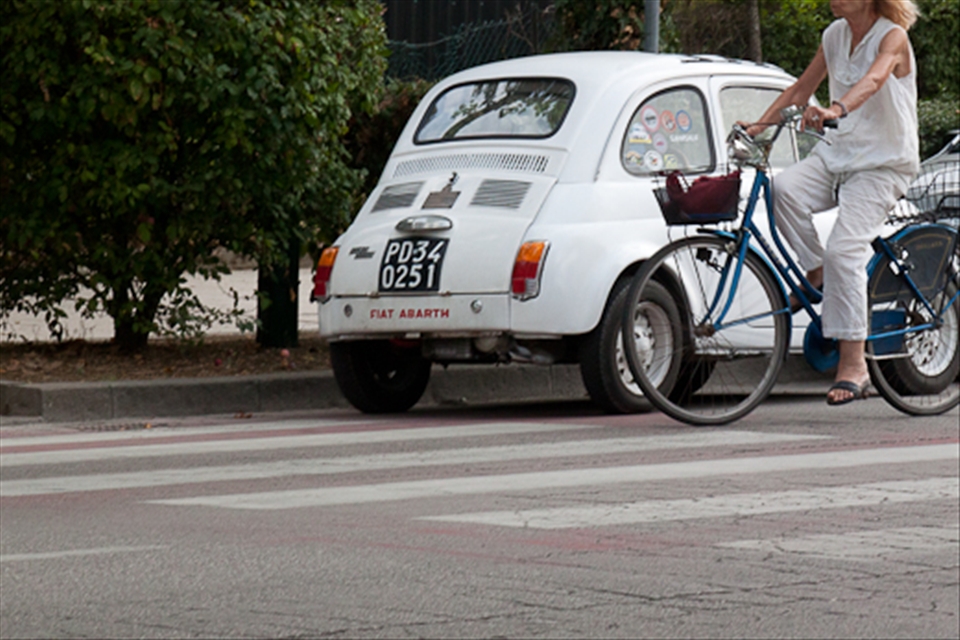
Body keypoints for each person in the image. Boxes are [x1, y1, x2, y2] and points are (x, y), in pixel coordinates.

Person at [745, 0, 920, 406]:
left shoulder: (893, 36)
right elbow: (800, 90)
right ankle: (817, 270)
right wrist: (758, 126)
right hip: (839, 154)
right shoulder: (834, 35)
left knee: (845, 250)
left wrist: (835, 108)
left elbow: (875, 79)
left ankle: (854, 365)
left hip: (883, 163)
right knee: (784, 190)